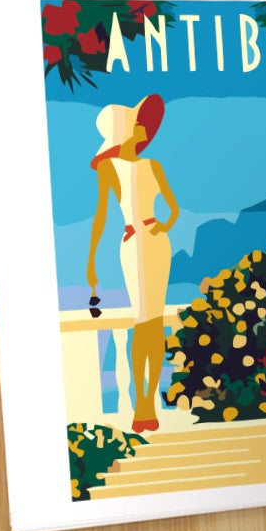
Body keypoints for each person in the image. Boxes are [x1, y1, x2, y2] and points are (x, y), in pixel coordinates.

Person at [86, 94, 178, 433]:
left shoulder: (153, 166)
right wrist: (92, 259)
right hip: (132, 244)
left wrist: (164, 225)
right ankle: (141, 401)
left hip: (156, 243)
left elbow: (173, 207)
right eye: (137, 123)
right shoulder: (110, 168)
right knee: (143, 321)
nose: (145, 128)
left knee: (154, 321)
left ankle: (149, 401)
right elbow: (101, 216)